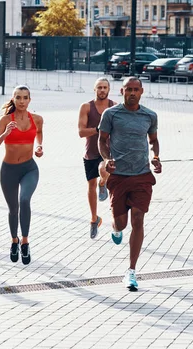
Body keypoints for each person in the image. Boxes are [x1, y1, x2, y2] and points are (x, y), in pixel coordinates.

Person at [98, 77, 161, 291]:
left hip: (142, 175)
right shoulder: (111, 114)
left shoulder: (149, 115)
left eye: (136, 89)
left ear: (142, 91)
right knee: (122, 224)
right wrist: (107, 159)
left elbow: (153, 140)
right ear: (122, 91)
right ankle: (115, 228)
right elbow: (102, 140)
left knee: (138, 218)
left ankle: (131, 270)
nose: (132, 93)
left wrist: (156, 157)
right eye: (129, 90)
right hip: (119, 176)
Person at [0, 85, 44, 265]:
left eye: (25, 98)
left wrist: (39, 146)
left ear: (30, 99)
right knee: (13, 209)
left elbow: (39, 133)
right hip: (9, 170)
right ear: (13, 99)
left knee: (24, 200)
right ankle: (14, 241)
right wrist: (6, 133)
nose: (22, 101)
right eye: (18, 98)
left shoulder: (37, 119)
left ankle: (25, 242)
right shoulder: (6, 120)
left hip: (29, 168)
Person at [78, 77, 116, 239]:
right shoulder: (86, 107)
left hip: (108, 152)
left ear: (109, 90)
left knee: (104, 170)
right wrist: (99, 129)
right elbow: (81, 132)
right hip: (90, 152)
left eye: (105, 87)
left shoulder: (114, 107)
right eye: (99, 87)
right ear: (94, 89)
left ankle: (103, 183)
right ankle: (94, 219)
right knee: (90, 185)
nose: (102, 90)